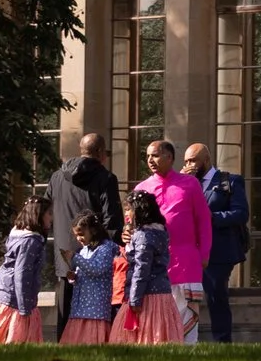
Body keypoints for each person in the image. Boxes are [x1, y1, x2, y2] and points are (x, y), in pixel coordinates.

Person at [136, 139, 211, 343]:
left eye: (156, 155)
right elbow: (132, 226)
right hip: (155, 265)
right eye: (148, 156)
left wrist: (204, 253)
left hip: (187, 261)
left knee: (186, 318)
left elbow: (203, 220)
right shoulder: (142, 189)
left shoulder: (190, 184)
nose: (150, 160)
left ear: (170, 157)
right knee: (158, 319)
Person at [48, 134, 120, 334]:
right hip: (96, 257)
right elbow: (112, 219)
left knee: (66, 312)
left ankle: (64, 349)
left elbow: (45, 213)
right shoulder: (106, 178)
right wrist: (113, 251)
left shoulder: (56, 177)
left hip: (65, 255)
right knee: (96, 314)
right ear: (100, 153)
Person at [184, 141, 249, 344]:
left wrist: (210, 217)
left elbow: (240, 213)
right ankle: (184, 340)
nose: (190, 165)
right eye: (186, 161)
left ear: (206, 159)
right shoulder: (185, 183)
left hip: (218, 251)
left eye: (193, 160)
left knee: (216, 297)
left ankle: (222, 342)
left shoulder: (229, 181)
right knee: (183, 298)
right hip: (188, 250)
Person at [0, 195, 51, 344]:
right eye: (49, 214)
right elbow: (22, 274)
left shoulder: (21, 236)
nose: (51, 218)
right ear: (38, 214)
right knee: (12, 342)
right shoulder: (30, 241)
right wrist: (24, 307)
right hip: (15, 301)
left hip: (8, 295)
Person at [111, 190, 184, 345]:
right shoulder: (160, 231)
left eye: (128, 209)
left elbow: (141, 269)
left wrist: (135, 299)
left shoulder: (143, 235)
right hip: (162, 293)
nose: (126, 213)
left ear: (139, 210)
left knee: (143, 336)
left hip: (146, 296)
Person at [58, 214, 118, 345]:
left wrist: (75, 257)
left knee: (92, 340)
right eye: (76, 235)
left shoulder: (105, 248)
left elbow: (96, 269)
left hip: (96, 308)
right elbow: (84, 271)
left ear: (94, 230)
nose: (79, 238)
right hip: (80, 307)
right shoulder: (85, 250)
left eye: (81, 234)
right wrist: (73, 277)